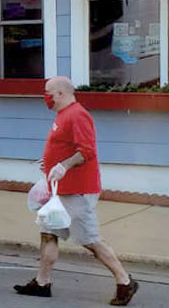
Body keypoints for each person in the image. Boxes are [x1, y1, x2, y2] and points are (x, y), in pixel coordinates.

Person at [14, 76, 139, 306]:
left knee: (90, 240)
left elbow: (86, 151)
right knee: (48, 232)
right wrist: (50, 162)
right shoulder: (62, 116)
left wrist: (63, 166)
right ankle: (42, 283)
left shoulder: (78, 115)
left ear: (61, 94)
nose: (46, 97)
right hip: (59, 192)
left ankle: (125, 281)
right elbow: (65, 147)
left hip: (77, 192)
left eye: (48, 93)